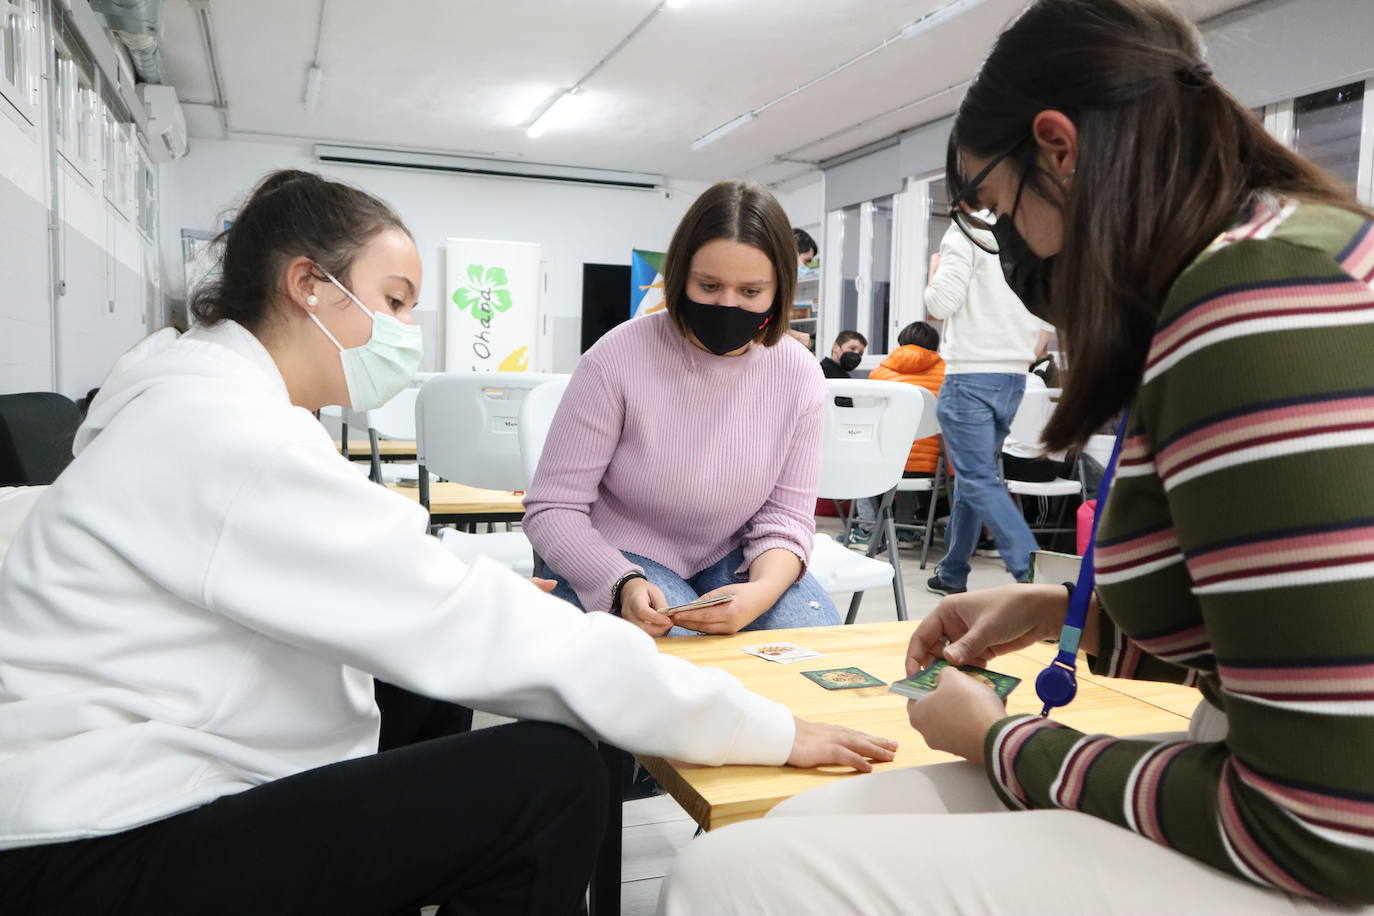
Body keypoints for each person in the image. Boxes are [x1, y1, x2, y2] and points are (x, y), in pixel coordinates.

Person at [0, 170, 896, 916]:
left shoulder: (209, 401)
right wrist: (764, 729)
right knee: (551, 777)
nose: (402, 334)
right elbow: (475, 597)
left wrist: (475, 587)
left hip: (108, 774)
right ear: (309, 286)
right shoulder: (232, 437)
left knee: (425, 685)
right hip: (88, 838)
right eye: (391, 303)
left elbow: (395, 583)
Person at [660, 0, 1374, 911]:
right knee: (803, 831)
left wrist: (999, 742)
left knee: (730, 880)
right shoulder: (1299, 248)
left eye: (998, 207)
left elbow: (1326, 830)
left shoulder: (1252, 312)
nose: (1015, 249)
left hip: (1312, 849)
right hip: (1281, 791)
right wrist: (1070, 611)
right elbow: (1299, 641)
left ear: (1058, 148)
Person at [525, 180, 843, 639]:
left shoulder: (798, 373)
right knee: (680, 655)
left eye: (751, 292)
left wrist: (759, 593)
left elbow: (786, 519)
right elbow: (553, 508)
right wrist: (621, 582)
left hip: (729, 555)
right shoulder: (616, 357)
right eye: (709, 285)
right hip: (620, 552)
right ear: (680, 277)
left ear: (779, 291)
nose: (727, 305)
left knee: (813, 643)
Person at [922, 215, 1053, 596]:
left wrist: (934, 272)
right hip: (1013, 378)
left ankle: (1032, 574)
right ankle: (952, 571)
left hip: (971, 375)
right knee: (973, 477)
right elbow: (1044, 310)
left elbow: (941, 304)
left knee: (978, 479)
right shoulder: (1027, 233)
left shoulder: (965, 231)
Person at [843, 321, 946, 549]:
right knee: (910, 455)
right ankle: (906, 532)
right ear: (934, 345)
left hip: (887, 458)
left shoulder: (879, 373)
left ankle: (867, 529)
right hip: (928, 465)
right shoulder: (946, 373)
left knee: (872, 459)